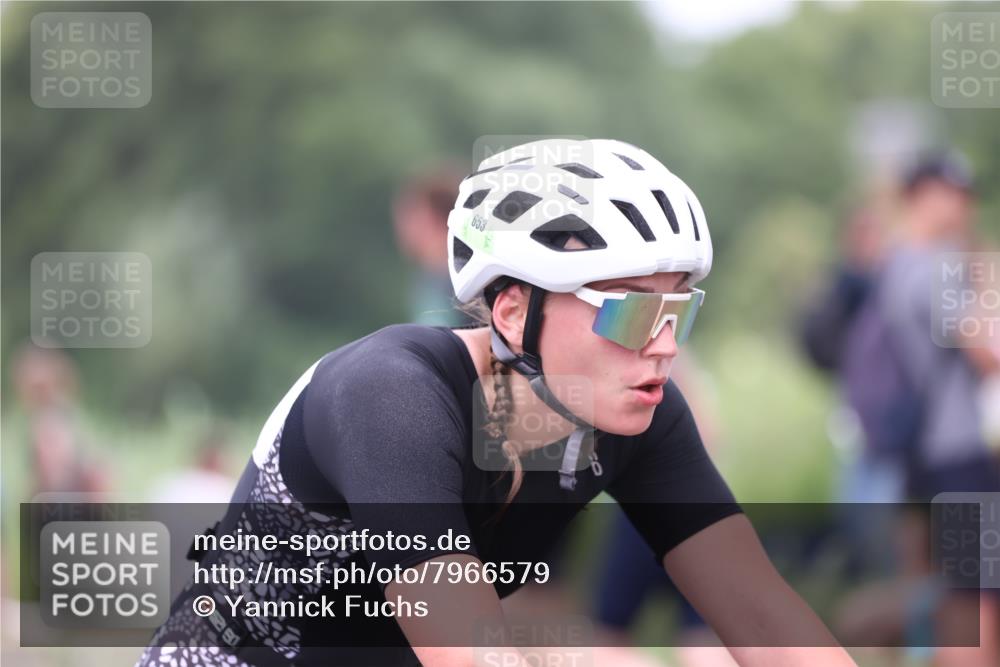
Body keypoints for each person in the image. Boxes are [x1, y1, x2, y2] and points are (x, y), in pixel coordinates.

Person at [135, 139, 856, 667]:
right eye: (633, 311)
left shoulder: (639, 414)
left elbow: (766, 617)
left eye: (680, 311)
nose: (664, 345)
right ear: (513, 312)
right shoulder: (392, 396)